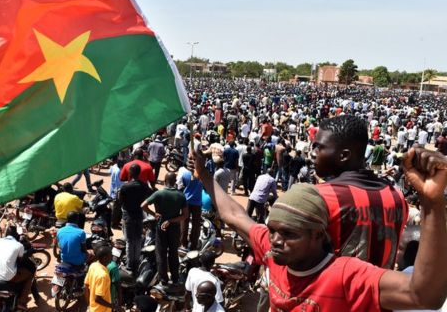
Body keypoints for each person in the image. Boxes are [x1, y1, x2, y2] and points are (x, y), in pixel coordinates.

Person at [193, 144, 447, 311]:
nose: (276, 240)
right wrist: (203, 173)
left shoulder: (346, 275)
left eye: (289, 233)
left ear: (317, 234)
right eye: (273, 230)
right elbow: (234, 214)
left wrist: (432, 202)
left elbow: (424, 295)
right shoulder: (273, 250)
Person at [312, 115, 408, 268]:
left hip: (335, 290)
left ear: (343, 155)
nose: (313, 153)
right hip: (381, 290)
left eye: (319, 147)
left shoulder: (320, 197)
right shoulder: (397, 197)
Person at [141, 172, 188, 285]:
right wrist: (171, 221)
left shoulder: (159, 194)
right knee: (173, 253)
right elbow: (185, 215)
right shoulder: (180, 195)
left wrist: (154, 214)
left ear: (165, 181)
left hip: (161, 227)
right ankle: (175, 278)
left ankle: (163, 280)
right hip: (174, 228)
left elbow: (143, 205)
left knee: (161, 253)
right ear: (175, 181)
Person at [0, 226, 40, 308]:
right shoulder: (19, 245)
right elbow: (21, 258)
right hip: (8, 276)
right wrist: (30, 251)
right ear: (16, 235)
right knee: (30, 275)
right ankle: (22, 302)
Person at [118, 163, 152, 272]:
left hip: (128, 216)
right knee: (137, 240)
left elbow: (120, 201)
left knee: (129, 241)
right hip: (139, 215)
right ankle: (136, 264)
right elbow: (148, 197)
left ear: (130, 173)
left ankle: (129, 265)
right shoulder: (144, 185)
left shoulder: (125, 187)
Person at [84, 245, 116, 312]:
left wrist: (89, 304)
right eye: (110, 255)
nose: (112, 257)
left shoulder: (93, 265)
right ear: (105, 258)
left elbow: (85, 286)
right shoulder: (103, 276)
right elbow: (98, 299)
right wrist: (115, 307)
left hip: (93, 308)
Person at [179, 167, 204, 251]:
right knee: (196, 225)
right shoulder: (201, 174)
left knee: (184, 222)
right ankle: (194, 244)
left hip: (186, 201)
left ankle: (183, 243)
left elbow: (181, 186)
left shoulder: (185, 174)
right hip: (197, 203)